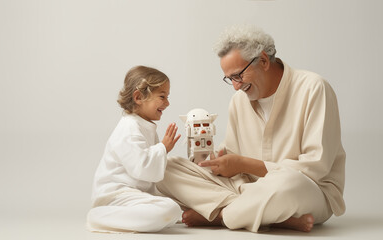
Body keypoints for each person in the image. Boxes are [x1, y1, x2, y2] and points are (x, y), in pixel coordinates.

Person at [156, 25, 346, 233]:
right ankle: (270, 217)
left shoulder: (314, 88)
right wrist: (215, 161)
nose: (236, 86)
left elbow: (315, 168)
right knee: (164, 168)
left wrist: (243, 164)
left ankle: (220, 216)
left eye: (238, 76)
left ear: (263, 61)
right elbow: (232, 155)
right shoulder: (239, 101)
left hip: (306, 190)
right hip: (247, 188)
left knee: (288, 183)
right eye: (230, 79)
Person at [87, 65, 182, 233]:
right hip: (115, 195)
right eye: (162, 96)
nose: (167, 103)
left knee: (174, 206)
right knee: (170, 209)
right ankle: (99, 216)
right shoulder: (128, 129)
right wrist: (163, 148)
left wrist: (162, 150)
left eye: (167, 97)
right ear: (138, 97)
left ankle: (135, 217)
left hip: (133, 194)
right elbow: (142, 168)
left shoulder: (142, 126)